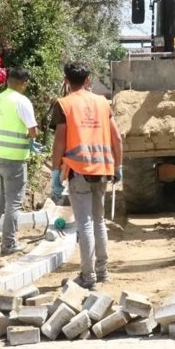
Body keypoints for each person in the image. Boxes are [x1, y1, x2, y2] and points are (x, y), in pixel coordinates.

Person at [50, 61, 123, 290]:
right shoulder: (102, 102)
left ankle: (88, 276)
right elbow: (117, 139)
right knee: (99, 221)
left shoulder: (64, 104)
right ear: (88, 80)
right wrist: (118, 166)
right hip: (102, 169)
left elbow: (60, 141)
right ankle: (102, 272)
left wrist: (55, 172)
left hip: (79, 171)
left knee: (85, 224)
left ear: (66, 80)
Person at [0, 66, 40, 256]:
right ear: (24, 84)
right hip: (12, 157)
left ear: (7, 81)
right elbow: (33, 130)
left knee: (4, 191)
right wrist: (33, 141)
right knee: (14, 201)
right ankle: (8, 244)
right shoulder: (22, 101)